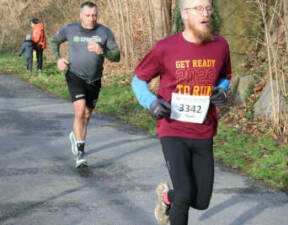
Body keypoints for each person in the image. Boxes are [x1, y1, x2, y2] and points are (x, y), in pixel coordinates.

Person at [131, 0, 231, 224]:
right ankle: (176, 198)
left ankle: (167, 197)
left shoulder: (220, 45)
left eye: (208, 8)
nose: (205, 13)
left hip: (204, 129)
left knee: (201, 201)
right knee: (185, 194)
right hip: (172, 128)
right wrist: (152, 103)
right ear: (185, 14)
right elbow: (138, 80)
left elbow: (226, 75)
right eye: (199, 9)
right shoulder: (165, 48)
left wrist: (222, 91)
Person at [49, 1, 120, 168]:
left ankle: (76, 135)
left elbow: (116, 56)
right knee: (80, 110)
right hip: (75, 75)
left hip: (94, 79)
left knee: (87, 115)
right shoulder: (70, 29)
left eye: (94, 15)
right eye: (88, 15)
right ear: (81, 15)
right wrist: (58, 59)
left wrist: (103, 51)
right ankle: (81, 153)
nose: (91, 18)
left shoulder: (104, 32)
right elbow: (53, 41)